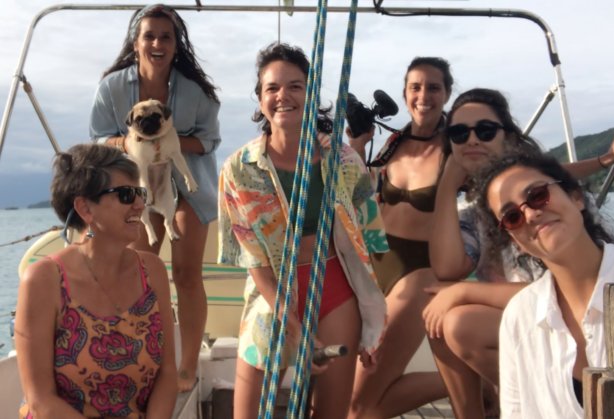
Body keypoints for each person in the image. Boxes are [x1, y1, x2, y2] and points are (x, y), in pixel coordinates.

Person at [424, 87, 614, 418]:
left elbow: (558, 176)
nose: (471, 140)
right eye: (458, 133)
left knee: (456, 320)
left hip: (587, 314)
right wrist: (446, 186)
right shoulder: (478, 220)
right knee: (441, 320)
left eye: (484, 130)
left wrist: (464, 290)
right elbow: (447, 266)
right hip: (534, 326)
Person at [217, 43, 388, 419]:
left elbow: (370, 241)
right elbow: (253, 260)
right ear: (260, 99)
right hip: (272, 295)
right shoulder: (239, 169)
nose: (283, 96)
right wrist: (294, 327)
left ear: (311, 95)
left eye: (296, 86)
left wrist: (375, 323)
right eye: (272, 88)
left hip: (337, 292)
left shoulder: (344, 160)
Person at [89, 4, 221, 391]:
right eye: (150, 36)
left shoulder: (197, 93)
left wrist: (168, 142)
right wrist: (135, 142)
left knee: (185, 273)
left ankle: (187, 365)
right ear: (136, 43)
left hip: (187, 182)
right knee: (140, 272)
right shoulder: (112, 88)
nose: (158, 43)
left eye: (166, 36)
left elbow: (210, 140)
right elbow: (98, 136)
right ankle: (142, 358)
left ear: (176, 45)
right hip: (137, 186)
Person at [473, 152, 614, 418]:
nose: (531, 214)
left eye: (537, 195)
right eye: (512, 216)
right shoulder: (519, 317)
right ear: (515, 242)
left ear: (576, 197)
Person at [15, 143, 176, 418]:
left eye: (140, 193)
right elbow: (40, 400)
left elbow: (168, 374)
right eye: (126, 195)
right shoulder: (45, 280)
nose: (140, 204)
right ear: (85, 208)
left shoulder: (152, 271)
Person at [346, 57, 450, 418]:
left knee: (357, 405)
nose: (424, 96)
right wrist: (357, 143)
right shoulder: (394, 141)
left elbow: (523, 171)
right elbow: (359, 189)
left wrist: (601, 161)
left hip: (418, 272)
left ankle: (478, 381)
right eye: (415, 87)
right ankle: (477, 385)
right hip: (374, 268)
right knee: (361, 406)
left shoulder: (458, 147)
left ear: (447, 93)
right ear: (405, 94)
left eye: (433, 87)